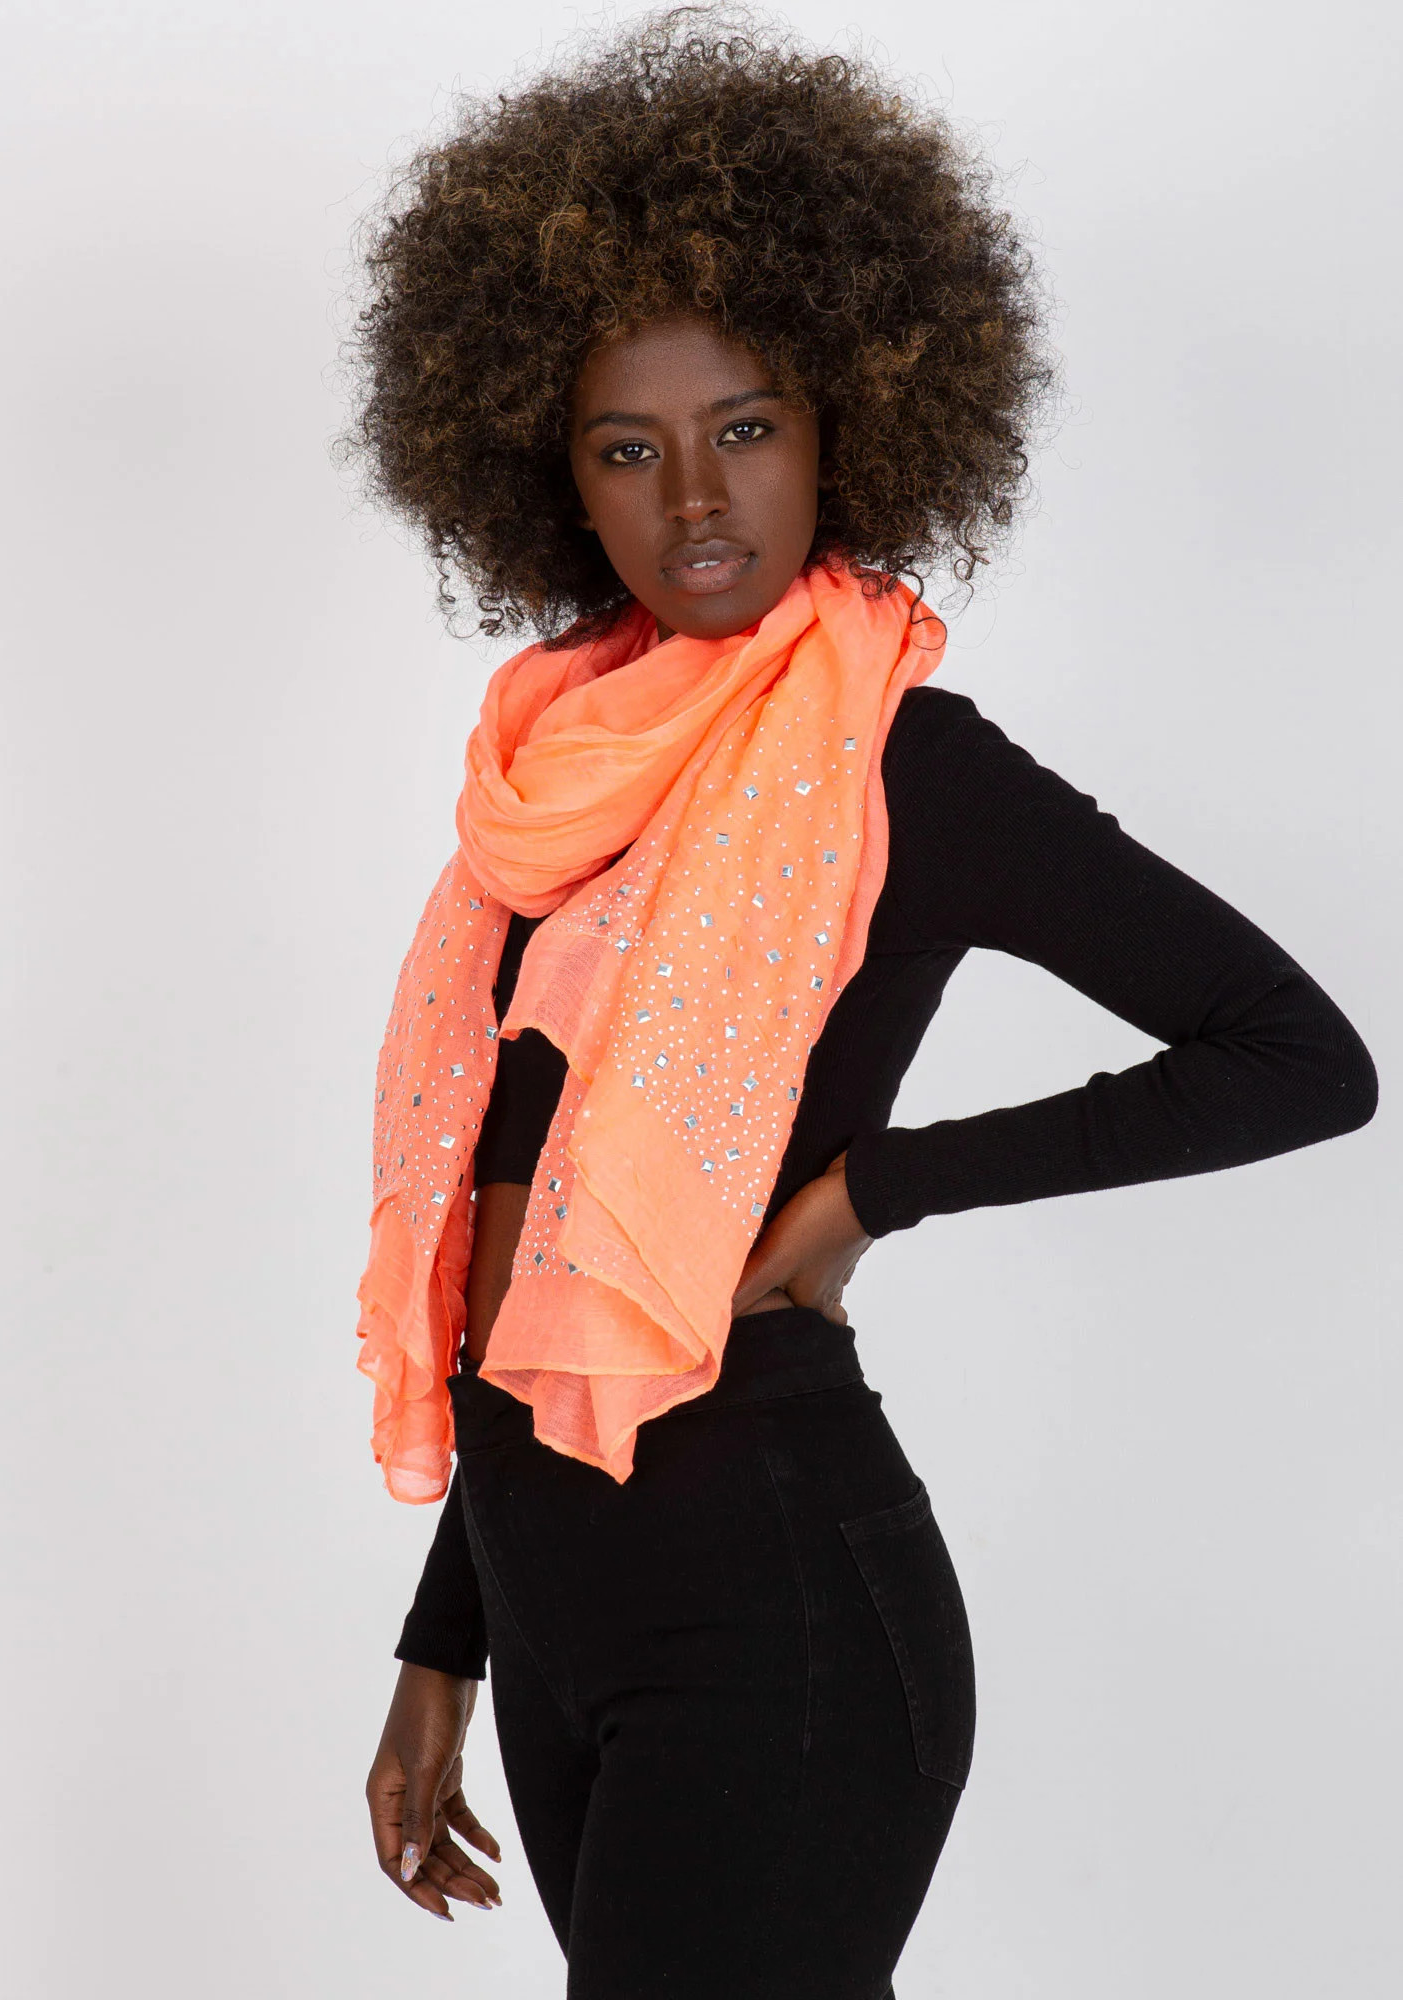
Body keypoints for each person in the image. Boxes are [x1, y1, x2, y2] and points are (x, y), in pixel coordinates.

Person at [341, 13, 1379, 1995]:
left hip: (774, 1612)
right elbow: (536, 1267)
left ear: (846, 423)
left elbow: (1300, 1060)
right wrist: (443, 1643)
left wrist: (865, 1193)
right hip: (553, 1612)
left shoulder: (902, 765)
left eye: (745, 427)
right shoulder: (550, 783)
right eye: (627, 449)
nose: (695, 497)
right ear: (554, 480)